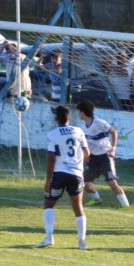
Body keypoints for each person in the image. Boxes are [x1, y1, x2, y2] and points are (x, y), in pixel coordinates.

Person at [37, 105, 90, 250]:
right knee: (78, 207)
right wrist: (77, 163)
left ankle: (49, 237)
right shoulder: (78, 131)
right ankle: (81, 242)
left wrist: (48, 179)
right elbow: (87, 153)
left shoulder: (52, 134)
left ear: (56, 119)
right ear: (70, 118)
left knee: (48, 204)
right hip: (76, 174)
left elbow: (51, 157)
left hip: (60, 173)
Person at [77, 101, 130, 208]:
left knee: (112, 183)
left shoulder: (99, 123)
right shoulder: (82, 126)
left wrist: (113, 149)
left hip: (105, 157)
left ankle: (126, 206)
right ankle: (97, 200)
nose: (78, 114)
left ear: (83, 112)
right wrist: (86, 156)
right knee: (85, 184)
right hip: (92, 159)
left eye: (79, 112)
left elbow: (114, 132)